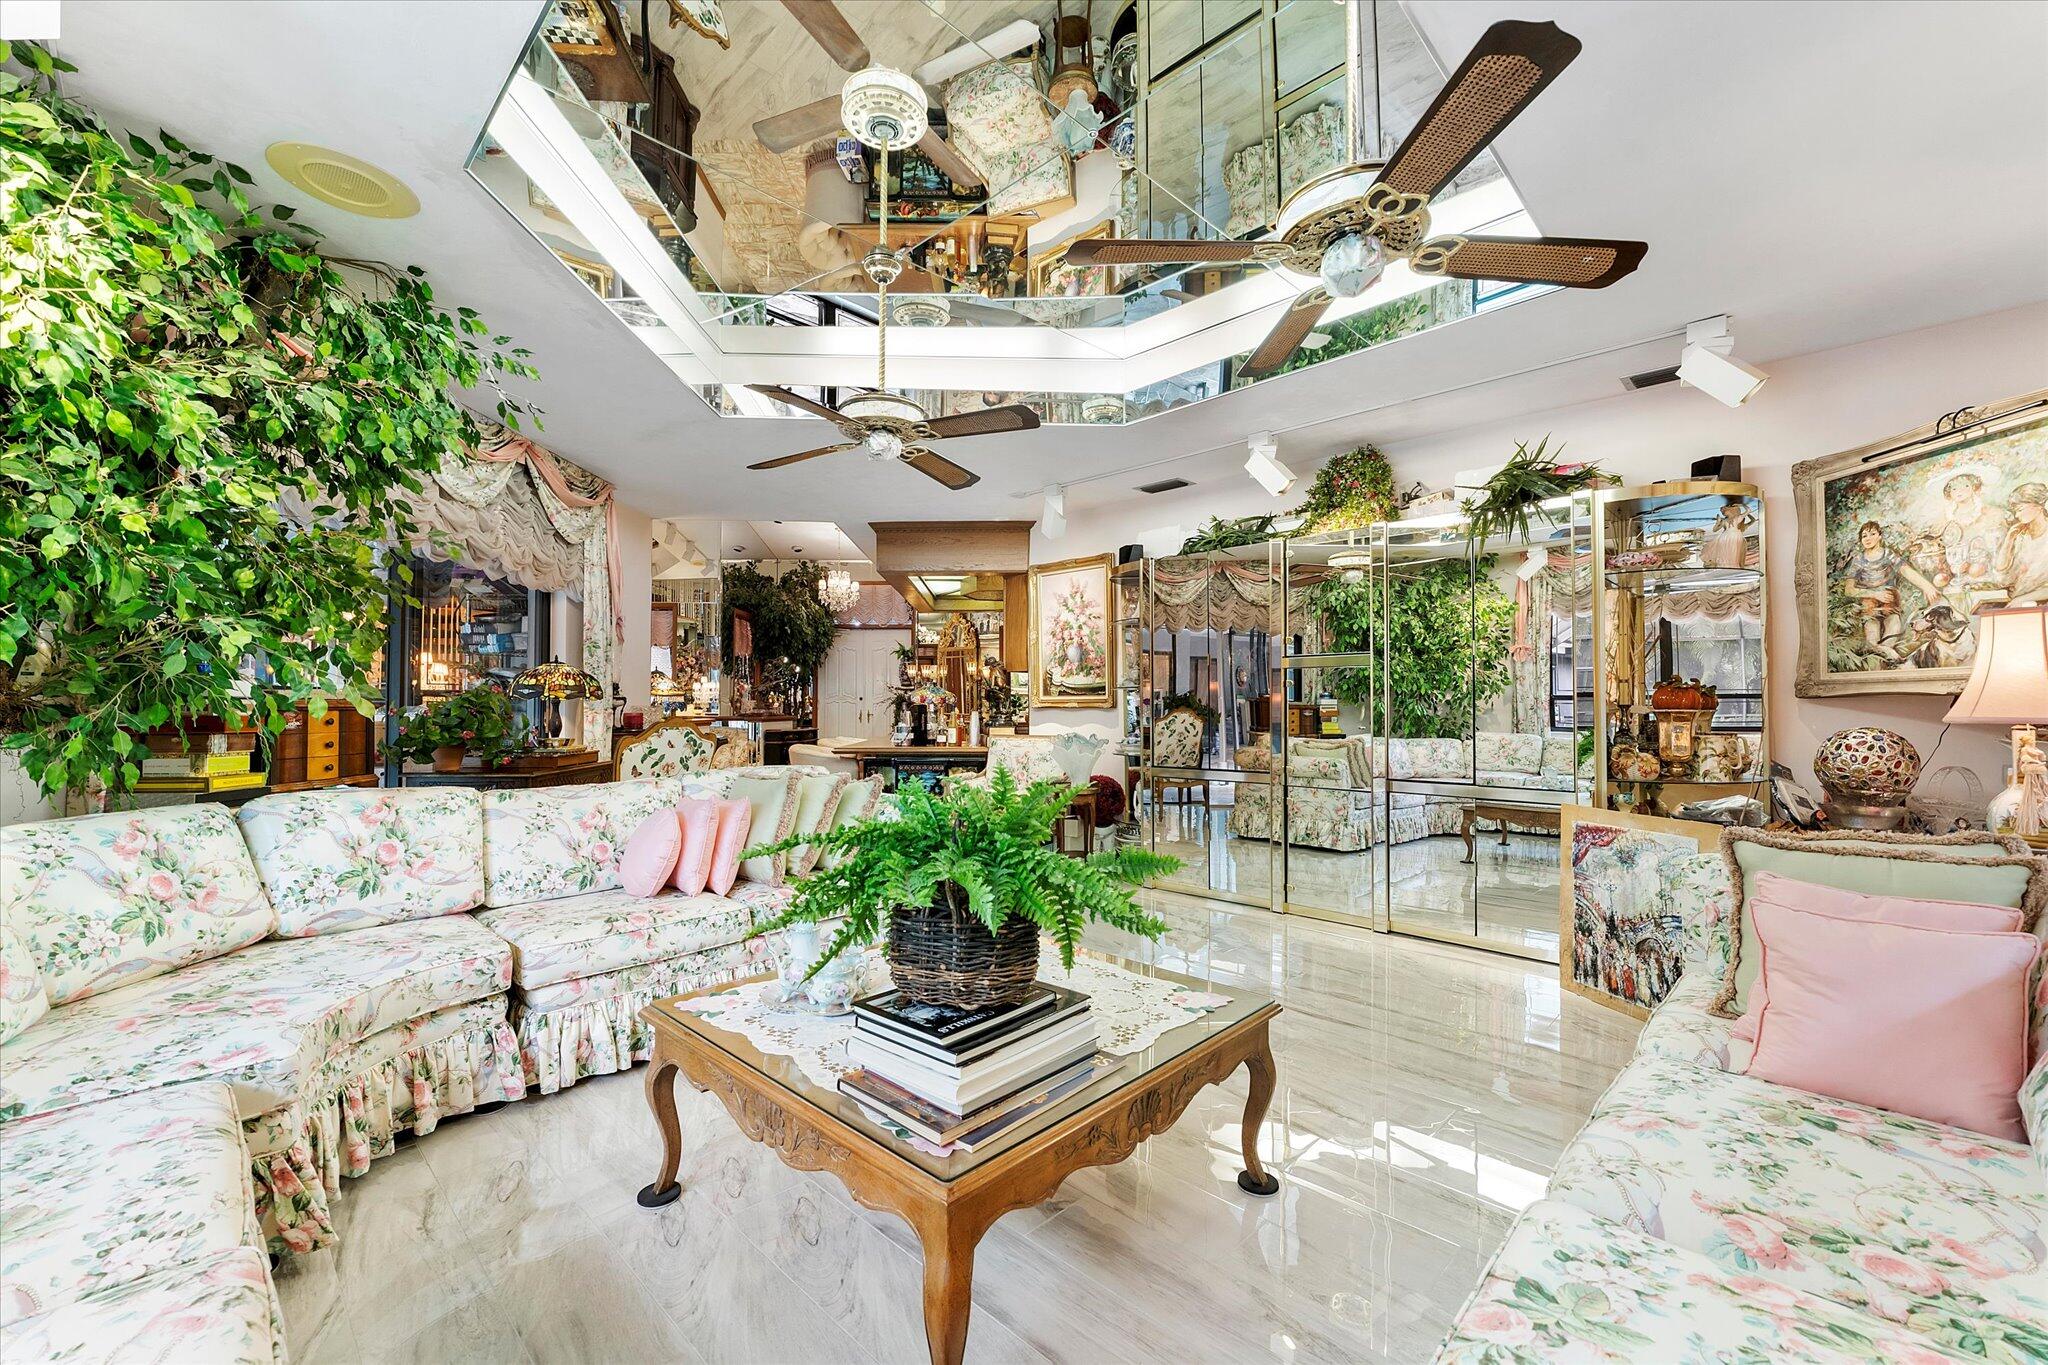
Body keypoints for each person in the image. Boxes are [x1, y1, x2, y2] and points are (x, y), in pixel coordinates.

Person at [1840, 521, 1942, 661]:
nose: (1868, 539)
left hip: (1890, 606)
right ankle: (1887, 654)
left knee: (1891, 637)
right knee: (1872, 642)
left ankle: (1888, 656)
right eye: (1864, 536)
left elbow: (1906, 571)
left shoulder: (1888, 555)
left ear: (1880, 536)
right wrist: (1875, 594)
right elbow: (1849, 590)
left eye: (1872, 534)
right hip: (1869, 608)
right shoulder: (1858, 560)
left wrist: (1926, 586)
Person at [1994, 481, 2048, 605]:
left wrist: (2022, 599)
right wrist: (2009, 539)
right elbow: (2000, 568)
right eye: (2015, 511)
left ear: (2038, 506)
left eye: (2020, 509)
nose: (2017, 515)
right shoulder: (2021, 535)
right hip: (2016, 600)